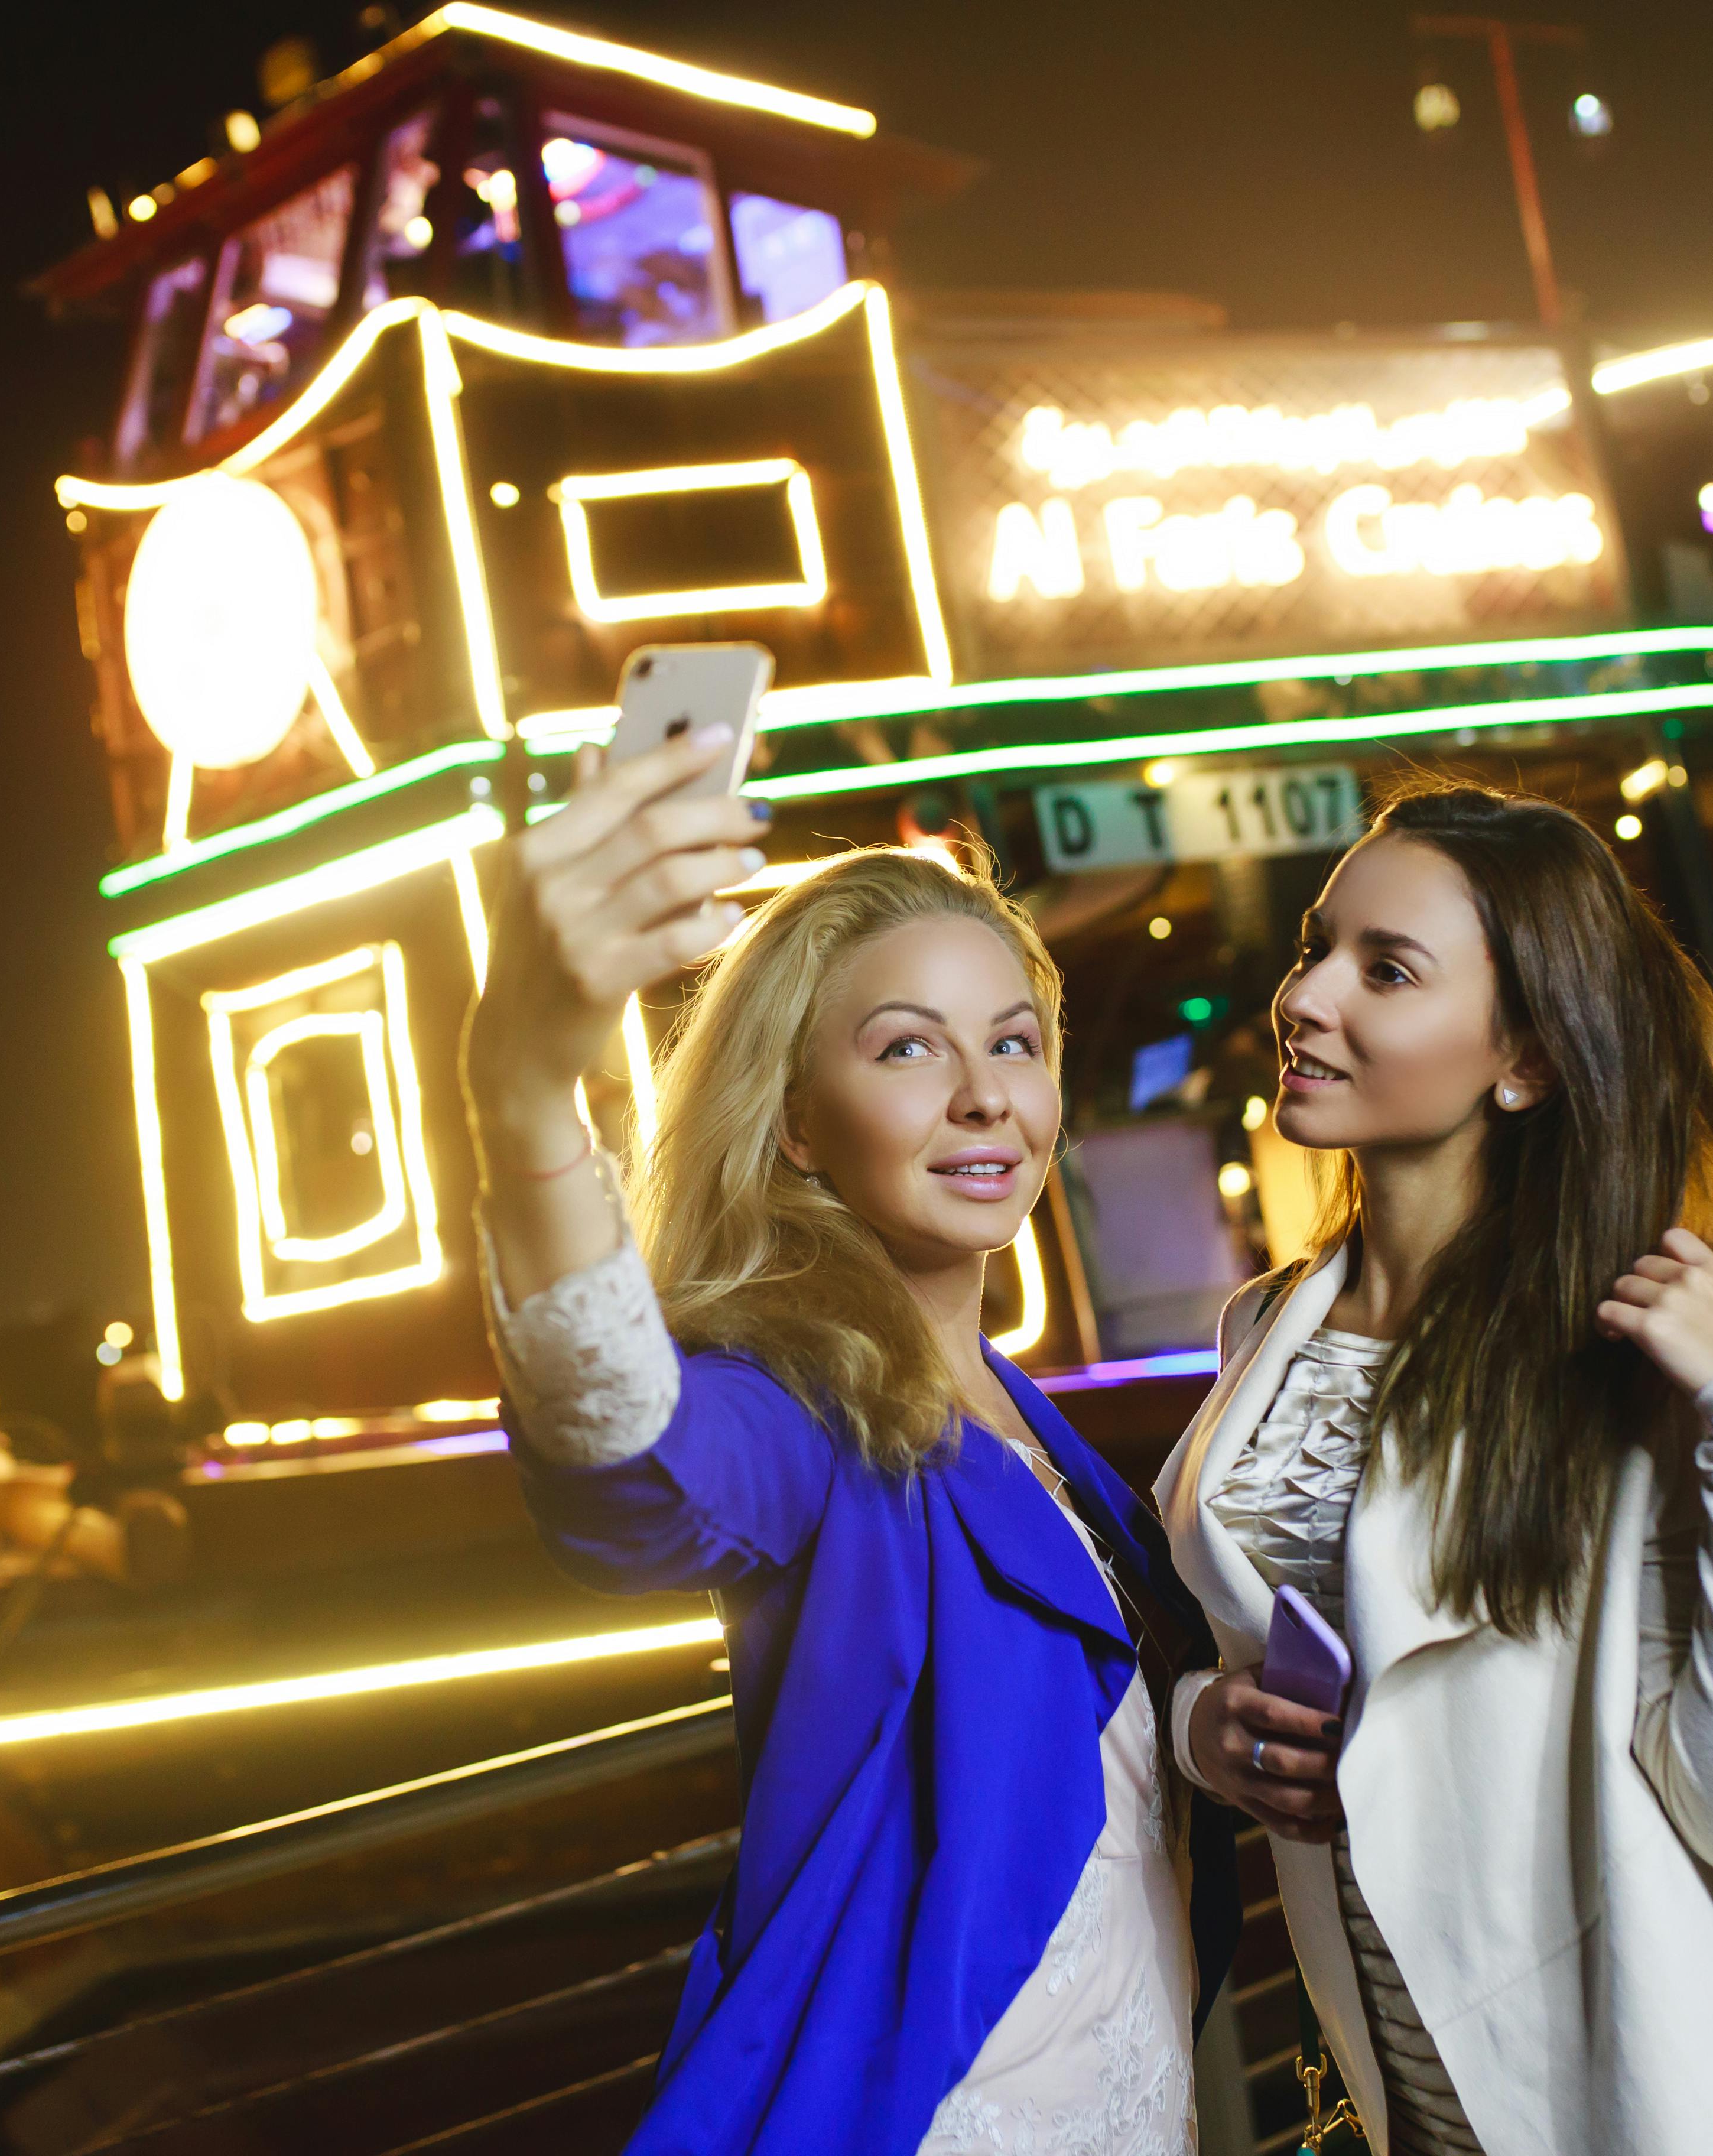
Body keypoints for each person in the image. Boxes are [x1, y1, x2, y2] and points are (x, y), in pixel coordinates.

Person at [460, 723, 1238, 2156]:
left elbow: (1090, 1731)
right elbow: (633, 1473)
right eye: (906, 1050)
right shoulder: (804, 1406)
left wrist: (1208, 1733)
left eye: (1015, 1042)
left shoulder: (1039, 1429)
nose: (984, 1096)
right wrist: (521, 1098)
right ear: (801, 1126)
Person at [1163, 777, 1713, 2155]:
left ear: (1526, 1059)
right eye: (1319, 946)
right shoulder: (1268, 1329)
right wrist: (1209, 1724)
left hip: (1638, 2094)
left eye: (1388, 969)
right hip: (1399, 2089)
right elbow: (1251, 1665)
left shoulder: (1625, 1343)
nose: (1308, 999)